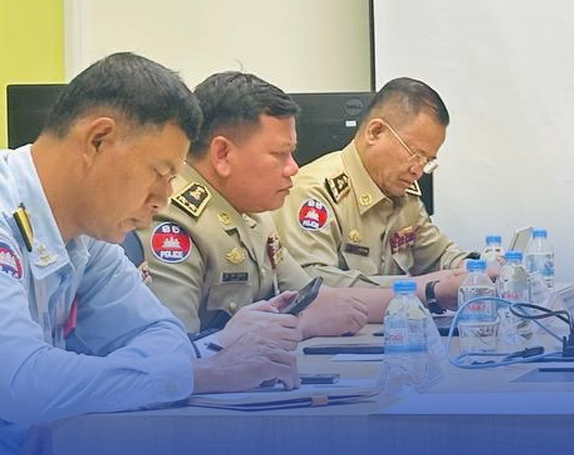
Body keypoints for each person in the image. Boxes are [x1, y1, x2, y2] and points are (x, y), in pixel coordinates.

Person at [0, 53, 296, 452]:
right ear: (98, 140)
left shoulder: (87, 232)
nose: (164, 197)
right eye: (160, 172)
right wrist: (197, 376)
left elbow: (161, 335)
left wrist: (79, 389)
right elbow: (21, 382)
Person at [137, 71, 377, 341]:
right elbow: (176, 348)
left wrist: (410, 295)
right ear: (222, 154)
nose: (293, 168)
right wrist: (301, 327)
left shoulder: (254, 213)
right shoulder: (172, 220)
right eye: (279, 154)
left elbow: (313, 298)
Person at [275, 77, 466, 312]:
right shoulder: (313, 192)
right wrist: (418, 288)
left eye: (427, 161)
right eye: (415, 155)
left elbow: (438, 255)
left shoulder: (404, 196)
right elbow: (313, 285)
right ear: (375, 132)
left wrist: (475, 270)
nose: (418, 170)